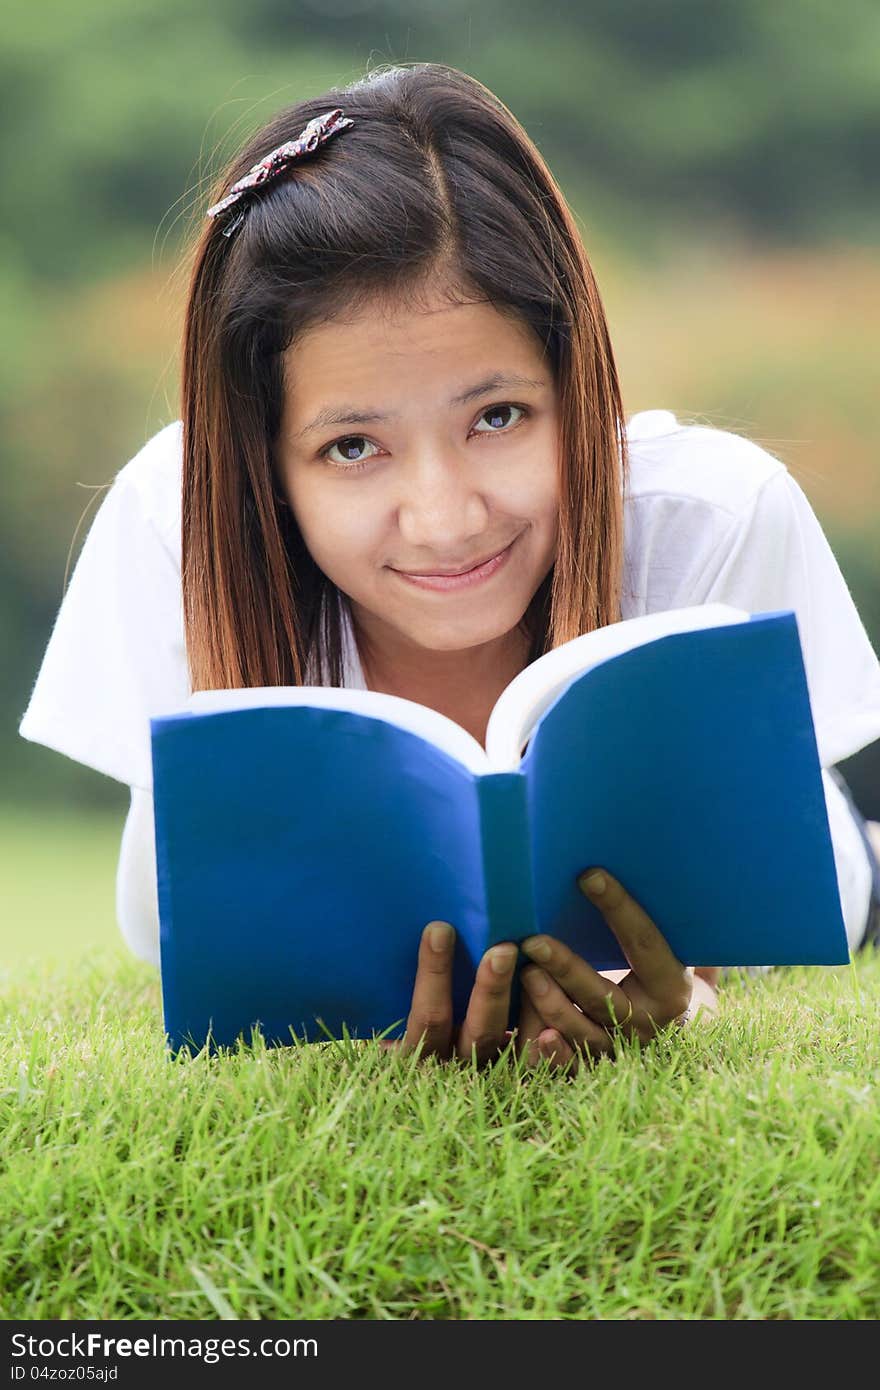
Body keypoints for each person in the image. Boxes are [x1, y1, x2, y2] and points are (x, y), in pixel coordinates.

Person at [19, 63, 880, 1071]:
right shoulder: (180, 523)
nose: (444, 518)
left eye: (497, 416)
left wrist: (689, 992)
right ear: (265, 462)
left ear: (574, 380)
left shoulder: (711, 513)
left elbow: (777, 896)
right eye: (351, 446)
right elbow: (168, 933)